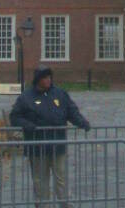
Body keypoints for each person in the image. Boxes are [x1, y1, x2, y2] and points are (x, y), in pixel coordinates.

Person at [10, 66, 90, 208]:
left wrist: (82, 122)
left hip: (57, 144)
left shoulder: (59, 93)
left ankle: (65, 203)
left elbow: (71, 111)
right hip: (37, 146)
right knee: (40, 179)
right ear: (38, 80)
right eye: (45, 77)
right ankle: (43, 204)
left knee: (61, 177)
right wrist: (27, 125)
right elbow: (15, 117)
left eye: (49, 77)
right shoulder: (26, 97)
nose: (48, 80)